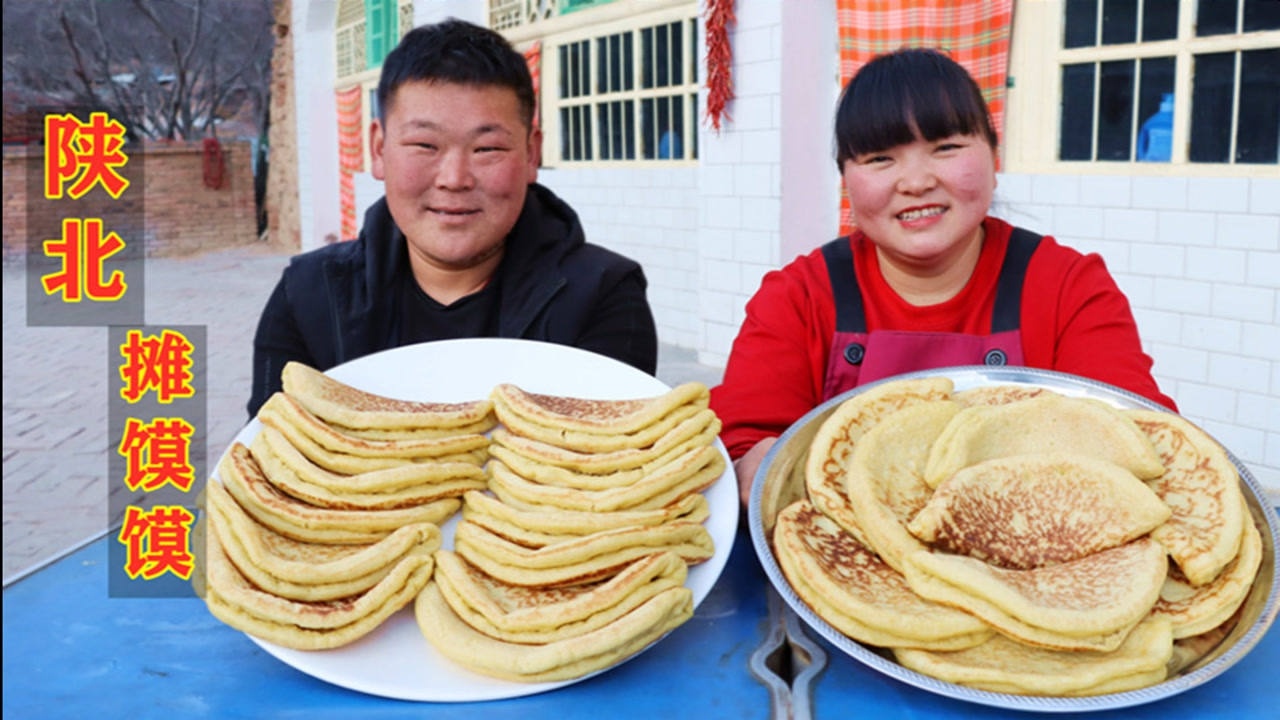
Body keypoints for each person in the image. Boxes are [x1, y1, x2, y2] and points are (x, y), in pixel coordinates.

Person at [709, 47, 1177, 506]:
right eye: (879, 159)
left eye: (946, 148)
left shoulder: (1067, 286)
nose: (915, 182)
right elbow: (741, 445)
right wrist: (756, 465)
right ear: (845, 179)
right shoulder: (800, 296)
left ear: (995, 158)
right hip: (833, 559)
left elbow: (1142, 441)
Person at [247, 18, 658, 417]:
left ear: (532, 153)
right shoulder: (308, 296)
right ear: (378, 148)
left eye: (487, 149)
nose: (455, 179)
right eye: (425, 144)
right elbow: (268, 460)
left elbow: (609, 470)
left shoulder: (604, 295)